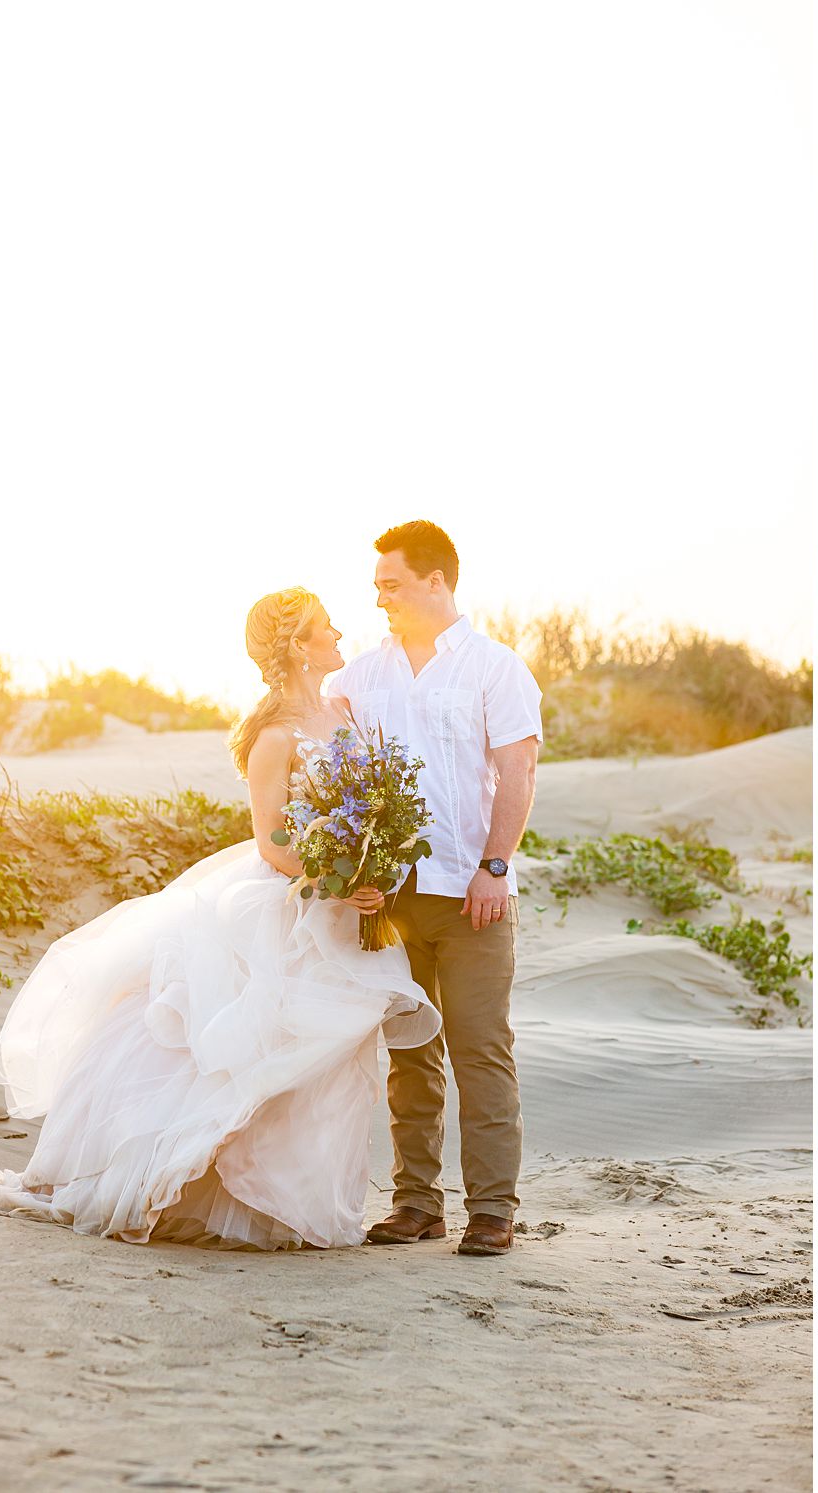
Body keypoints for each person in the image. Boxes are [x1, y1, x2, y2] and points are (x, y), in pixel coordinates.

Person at [0, 588, 441, 1248]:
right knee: (244, 1045)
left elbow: (370, 804)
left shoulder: (350, 712)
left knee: (325, 1055)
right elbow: (273, 840)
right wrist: (340, 877)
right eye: (323, 626)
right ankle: (188, 1183)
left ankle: (290, 1199)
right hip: (295, 900)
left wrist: (374, 867)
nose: (337, 632)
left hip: (342, 911)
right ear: (300, 647)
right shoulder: (274, 737)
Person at [326, 521, 544, 1258]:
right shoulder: (357, 678)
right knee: (410, 1052)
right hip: (389, 900)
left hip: (470, 892)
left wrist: (495, 866)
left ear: (437, 580)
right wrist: (354, 878)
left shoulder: (495, 668)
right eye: (377, 586)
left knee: (481, 1049)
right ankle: (416, 1201)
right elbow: (338, 784)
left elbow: (518, 772)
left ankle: (492, 1209)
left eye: (392, 583)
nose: (380, 597)